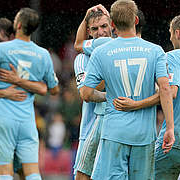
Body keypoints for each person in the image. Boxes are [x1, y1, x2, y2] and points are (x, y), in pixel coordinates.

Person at [114, 14, 180, 180]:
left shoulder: (173, 57)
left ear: (178, 33)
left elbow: (170, 92)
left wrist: (135, 104)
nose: (171, 36)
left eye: (171, 32)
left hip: (175, 140)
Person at [80, 0, 175, 179]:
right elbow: (165, 88)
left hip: (114, 132)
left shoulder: (101, 52)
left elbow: (85, 93)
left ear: (113, 24)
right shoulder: (155, 51)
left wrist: (107, 97)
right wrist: (169, 127)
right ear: (136, 20)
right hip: (144, 135)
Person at [0, 8, 59, 180]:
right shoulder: (43, 54)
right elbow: (53, 89)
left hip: (2, 117)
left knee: (4, 172)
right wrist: (25, 83)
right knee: (32, 173)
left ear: (18, 25)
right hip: (27, 119)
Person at [73, 5, 111, 180]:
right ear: (88, 32)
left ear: (112, 26)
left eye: (104, 26)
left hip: (118, 130)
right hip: (89, 129)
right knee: (82, 176)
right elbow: (86, 94)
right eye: (95, 29)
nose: (100, 32)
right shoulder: (82, 59)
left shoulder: (123, 50)